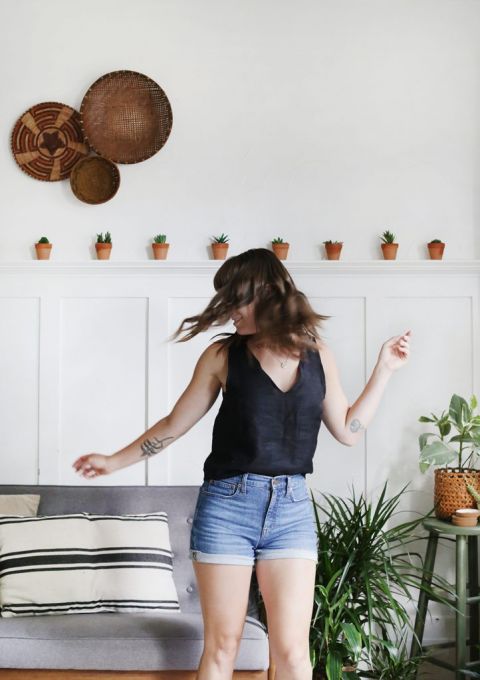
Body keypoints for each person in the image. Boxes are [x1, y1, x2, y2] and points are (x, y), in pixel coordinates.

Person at [72, 248, 411, 680]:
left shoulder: (318, 354)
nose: (230, 312)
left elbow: (347, 430)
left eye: (236, 300)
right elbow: (174, 425)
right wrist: (113, 461)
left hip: (292, 509)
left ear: (267, 294)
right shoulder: (222, 356)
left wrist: (385, 370)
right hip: (227, 507)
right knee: (223, 646)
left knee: (291, 653)